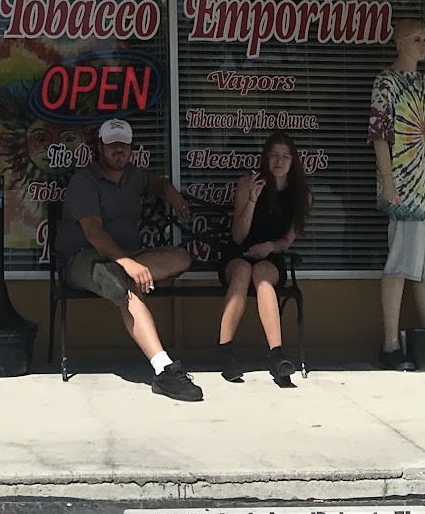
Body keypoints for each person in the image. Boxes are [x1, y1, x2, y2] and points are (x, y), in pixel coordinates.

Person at [55, 118, 202, 401]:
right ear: (100, 147)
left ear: (132, 148)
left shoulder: (133, 176)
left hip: (127, 258)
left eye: (123, 144)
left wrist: (170, 192)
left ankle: (123, 274)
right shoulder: (85, 182)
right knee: (121, 286)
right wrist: (127, 262)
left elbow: (155, 182)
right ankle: (164, 369)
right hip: (84, 259)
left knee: (181, 257)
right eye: (112, 145)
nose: (118, 150)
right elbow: (94, 233)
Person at [370, 16, 425, 368]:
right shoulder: (386, 82)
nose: (423, 45)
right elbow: (379, 134)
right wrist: (388, 179)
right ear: (401, 42)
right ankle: (390, 344)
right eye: (417, 39)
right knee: (401, 260)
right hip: (405, 184)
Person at [216, 130, 310, 385]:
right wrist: (252, 200)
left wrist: (269, 247)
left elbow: (287, 241)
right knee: (243, 271)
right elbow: (238, 236)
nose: (279, 162)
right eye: (274, 155)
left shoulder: (301, 194)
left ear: (293, 161)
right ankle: (225, 350)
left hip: (270, 255)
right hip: (239, 254)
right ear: (265, 158)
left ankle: (277, 355)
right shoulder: (248, 183)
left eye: (285, 157)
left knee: (262, 275)